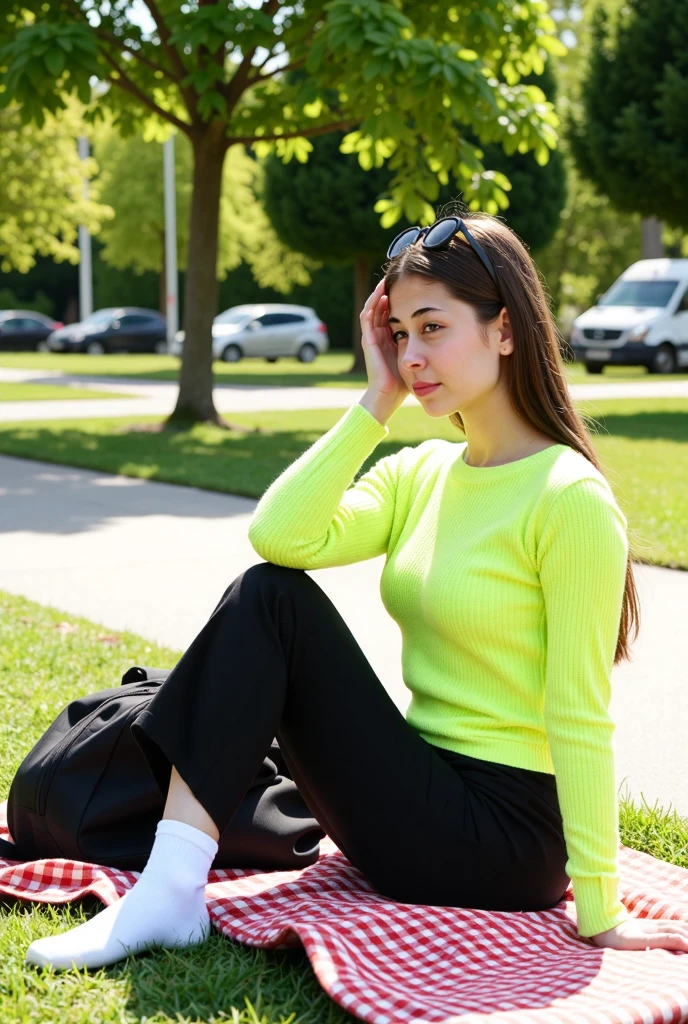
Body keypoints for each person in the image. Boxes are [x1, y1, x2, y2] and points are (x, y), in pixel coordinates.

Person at [25, 207, 688, 971]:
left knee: (273, 603)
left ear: (505, 329)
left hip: (504, 841)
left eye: (432, 328)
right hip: (421, 792)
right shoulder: (423, 473)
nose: (412, 355)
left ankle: (170, 892)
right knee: (269, 590)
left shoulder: (568, 498)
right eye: (398, 333)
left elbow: (581, 713)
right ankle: (171, 888)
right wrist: (375, 403)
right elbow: (281, 537)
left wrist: (601, 909)